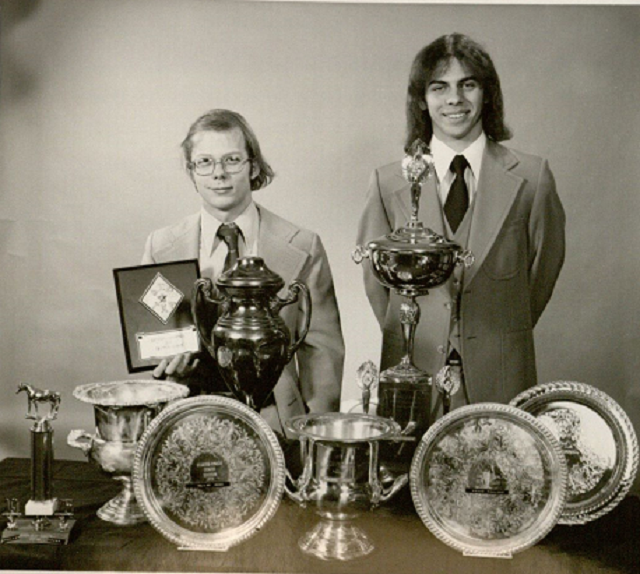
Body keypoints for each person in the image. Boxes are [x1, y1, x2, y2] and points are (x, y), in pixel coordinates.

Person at [356, 33, 565, 419]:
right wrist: (423, 328)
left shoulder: (533, 178)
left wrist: (495, 331)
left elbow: (542, 272)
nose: (455, 99)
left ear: (487, 94)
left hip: (501, 374)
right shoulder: (388, 182)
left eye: (468, 85)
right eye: (440, 87)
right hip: (412, 369)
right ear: (422, 99)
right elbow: (375, 281)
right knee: (405, 476)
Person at [142, 109, 344, 436]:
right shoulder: (161, 246)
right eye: (205, 162)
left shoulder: (303, 246)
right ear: (191, 171)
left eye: (232, 160)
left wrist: (315, 438)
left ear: (253, 166)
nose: (219, 174)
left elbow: (323, 354)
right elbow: (153, 343)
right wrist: (167, 360)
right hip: (185, 417)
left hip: (276, 421)